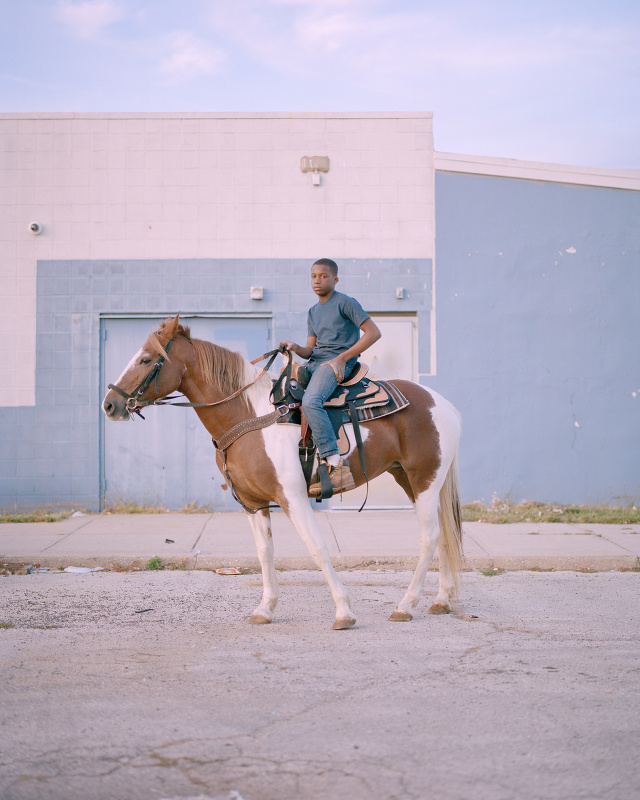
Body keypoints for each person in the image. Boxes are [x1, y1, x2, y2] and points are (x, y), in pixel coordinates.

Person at [280, 258, 381, 494]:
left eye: (323, 276)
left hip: (337, 365)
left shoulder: (346, 303)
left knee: (311, 402)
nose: (317, 280)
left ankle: (335, 462)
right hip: (316, 363)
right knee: (283, 391)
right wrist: (294, 347)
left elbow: (373, 333)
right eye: (313, 276)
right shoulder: (313, 312)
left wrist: (342, 358)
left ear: (335, 279)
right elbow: (310, 350)